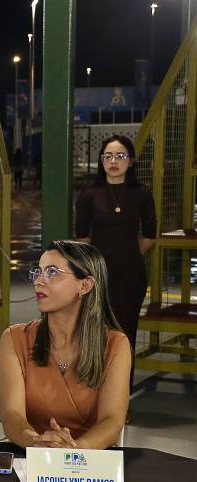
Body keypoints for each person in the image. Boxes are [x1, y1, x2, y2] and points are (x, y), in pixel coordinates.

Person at [0, 240, 131, 450]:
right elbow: (11, 416)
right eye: (38, 272)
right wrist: (37, 443)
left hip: (90, 457)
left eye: (52, 272)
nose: (38, 281)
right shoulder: (14, 339)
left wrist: (71, 452)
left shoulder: (116, 345)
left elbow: (112, 421)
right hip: (32, 454)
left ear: (85, 285)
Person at [75, 134, 156, 387]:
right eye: (108, 156)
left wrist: (127, 255)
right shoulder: (89, 194)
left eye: (120, 156)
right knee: (95, 333)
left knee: (125, 334)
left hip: (130, 276)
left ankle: (121, 395)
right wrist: (98, 263)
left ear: (130, 161)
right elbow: (82, 237)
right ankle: (94, 391)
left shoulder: (142, 194)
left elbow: (150, 236)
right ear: (101, 161)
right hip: (97, 276)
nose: (114, 161)